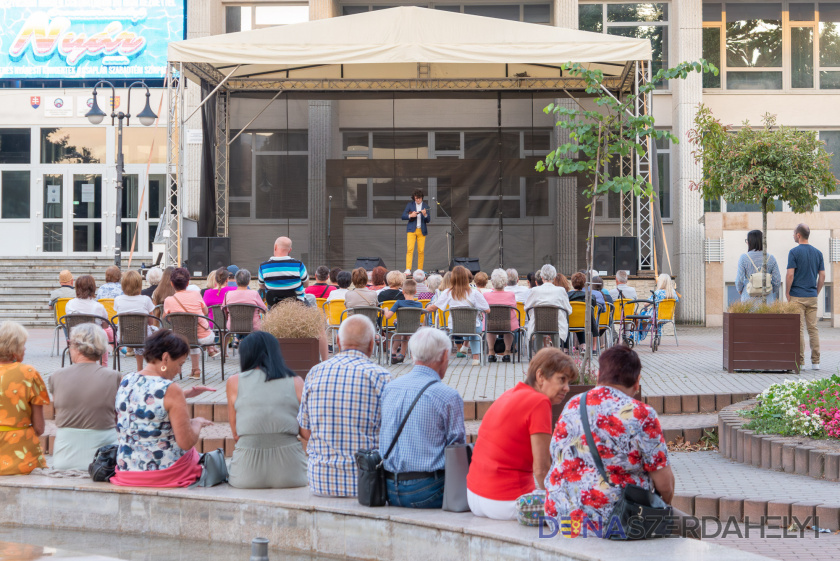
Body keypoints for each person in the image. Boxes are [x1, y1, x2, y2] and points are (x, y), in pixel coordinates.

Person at [544, 345, 674, 536]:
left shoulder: (573, 404)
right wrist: (663, 507)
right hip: (615, 521)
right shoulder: (642, 414)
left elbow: (555, 455)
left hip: (561, 515)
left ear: (599, 375)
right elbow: (665, 485)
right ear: (637, 382)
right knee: (690, 527)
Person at [468, 348, 575, 520]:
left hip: (474, 496)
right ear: (540, 376)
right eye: (562, 379)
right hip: (506, 500)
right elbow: (541, 469)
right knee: (581, 506)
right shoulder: (539, 402)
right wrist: (556, 505)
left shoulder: (509, 394)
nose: (567, 388)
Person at [297, 315, 390, 496]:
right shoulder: (382, 377)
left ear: (338, 341)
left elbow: (305, 430)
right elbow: (391, 432)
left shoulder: (315, 372)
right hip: (366, 483)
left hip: (320, 481)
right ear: (372, 344)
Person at [111, 330, 215, 487]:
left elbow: (144, 403)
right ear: (165, 358)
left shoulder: (126, 380)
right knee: (200, 458)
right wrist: (197, 422)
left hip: (126, 472)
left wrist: (184, 395)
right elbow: (185, 442)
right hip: (162, 473)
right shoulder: (171, 389)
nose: (180, 371)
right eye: (180, 364)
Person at [380, 328, 465, 508]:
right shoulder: (448, 396)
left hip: (386, 486)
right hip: (428, 489)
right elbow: (457, 450)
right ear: (444, 356)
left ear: (412, 354)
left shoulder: (390, 388)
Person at [226, 332, 307, 489]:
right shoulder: (296, 381)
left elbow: (236, 434)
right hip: (292, 473)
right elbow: (306, 433)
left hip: (246, 474)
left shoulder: (234, 382)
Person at [47, 324, 122, 471]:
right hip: (103, 460)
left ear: (75, 346)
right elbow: (118, 416)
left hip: (64, 456)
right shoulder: (115, 377)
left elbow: (60, 409)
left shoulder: (56, 376)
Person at [0, 321, 49, 475]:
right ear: (15, 348)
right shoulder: (28, 373)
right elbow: (39, 428)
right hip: (20, 457)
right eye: (23, 345)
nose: (25, 349)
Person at [426, 266, 489, 366]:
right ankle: (476, 358)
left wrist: (428, 306)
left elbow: (433, 308)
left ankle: (465, 348)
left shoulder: (448, 292)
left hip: (454, 328)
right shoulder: (475, 293)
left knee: (468, 328)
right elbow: (487, 310)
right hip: (474, 327)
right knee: (473, 329)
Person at [163, 267, 219, 379]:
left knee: (189, 337)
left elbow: (166, 318)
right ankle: (196, 369)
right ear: (188, 282)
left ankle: (184, 370)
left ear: (172, 284)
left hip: (181, 338)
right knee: (194, 338)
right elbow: (205, 312)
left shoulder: (168, 300)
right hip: (205, 337)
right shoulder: (196, 294)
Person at [786, 223, 825, 370]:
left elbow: (790, 275)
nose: (793, 235)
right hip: (812, 295)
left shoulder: (794, 252)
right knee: (813, 329)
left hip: (797, 296)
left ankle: (800, 362)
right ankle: (816, 362)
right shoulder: (818, 253)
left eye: (793, 233)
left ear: (798, 235)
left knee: (799, 329)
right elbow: (822, 276)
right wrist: (816, 291)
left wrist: (787, 292)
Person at [65, 274, 114, 365]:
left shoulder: (69, 304)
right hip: (93, 342)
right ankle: (103, 365)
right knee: (103, 335)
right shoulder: (98, 306)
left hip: (76, 340)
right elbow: (105, 326)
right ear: (93, 288)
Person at [114, 270, 157, 371]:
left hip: (123, 337)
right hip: (143, 336)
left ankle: (140, 369)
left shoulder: (118, 299)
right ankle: (149, 367)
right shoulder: (146, 299)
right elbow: (151, 322)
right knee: (148, 333)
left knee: (138, 334)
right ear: (139, 284)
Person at [524, 264, 572, 352]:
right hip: (556, 324)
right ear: (554, 278)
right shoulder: (561, 290)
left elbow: (527, 308)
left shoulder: (535, 290)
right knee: (557, 323)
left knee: (537, 325)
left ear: (541, 277)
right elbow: (568, 310)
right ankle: (556, 352)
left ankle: (538, 354)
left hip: (539, 324)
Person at [258, 236, 309, 306]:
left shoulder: (263, 267)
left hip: (274, 304)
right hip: (297, 304)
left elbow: (261, 286)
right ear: (290, 250)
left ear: (275, 247)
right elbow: (306, 285)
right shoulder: (298, 265)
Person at [482, 269, 518, 363]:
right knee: (509, 329)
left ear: (492, 283)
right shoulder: (511, 294)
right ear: (505, 283)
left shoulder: (486, 295)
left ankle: (491, 353)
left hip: (491, 325)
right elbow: (514, 306)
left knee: (489, 326)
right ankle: (506, 353)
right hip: (507, 324)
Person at [384, 279, 424, 363]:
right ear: (415, 291)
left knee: (401, 330)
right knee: (405, 333)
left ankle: (395, 353)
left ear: (403, 291)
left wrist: (386, 309)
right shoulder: (419, 304)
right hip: (414, 328)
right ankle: (403, 355)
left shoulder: (399, 303)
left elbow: (387, 316)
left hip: (401, 327)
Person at [736, 230, 781, 302]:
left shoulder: (744, 258)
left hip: (748, 299)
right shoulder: (771, 258)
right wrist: (770, 291)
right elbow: (777, 280)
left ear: (749, 242)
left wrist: (740, 290)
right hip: (767, 300)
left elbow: (739, 280)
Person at [567, 272, 603, 348]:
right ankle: (583, 346)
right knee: (583, 318)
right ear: (584, 284)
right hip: (585, 324)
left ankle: (565, 349)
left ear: (572, 284)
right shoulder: (590, 297)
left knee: (566, 320)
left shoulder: (567, 296)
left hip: (570, 323)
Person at [402, 188, 431, 273]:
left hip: (421, 231)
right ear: (414, 198)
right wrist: (411, 215)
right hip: (411, 230)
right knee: (410, 249)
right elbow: (403, 216)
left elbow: (428, 220)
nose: (418, 200)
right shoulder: (409, 205)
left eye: (419, 198)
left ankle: (419, 269)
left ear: (422, 197)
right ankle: (408, 269)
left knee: (421, 251)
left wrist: (425, 215)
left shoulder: (426, 206)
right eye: (416, 198)